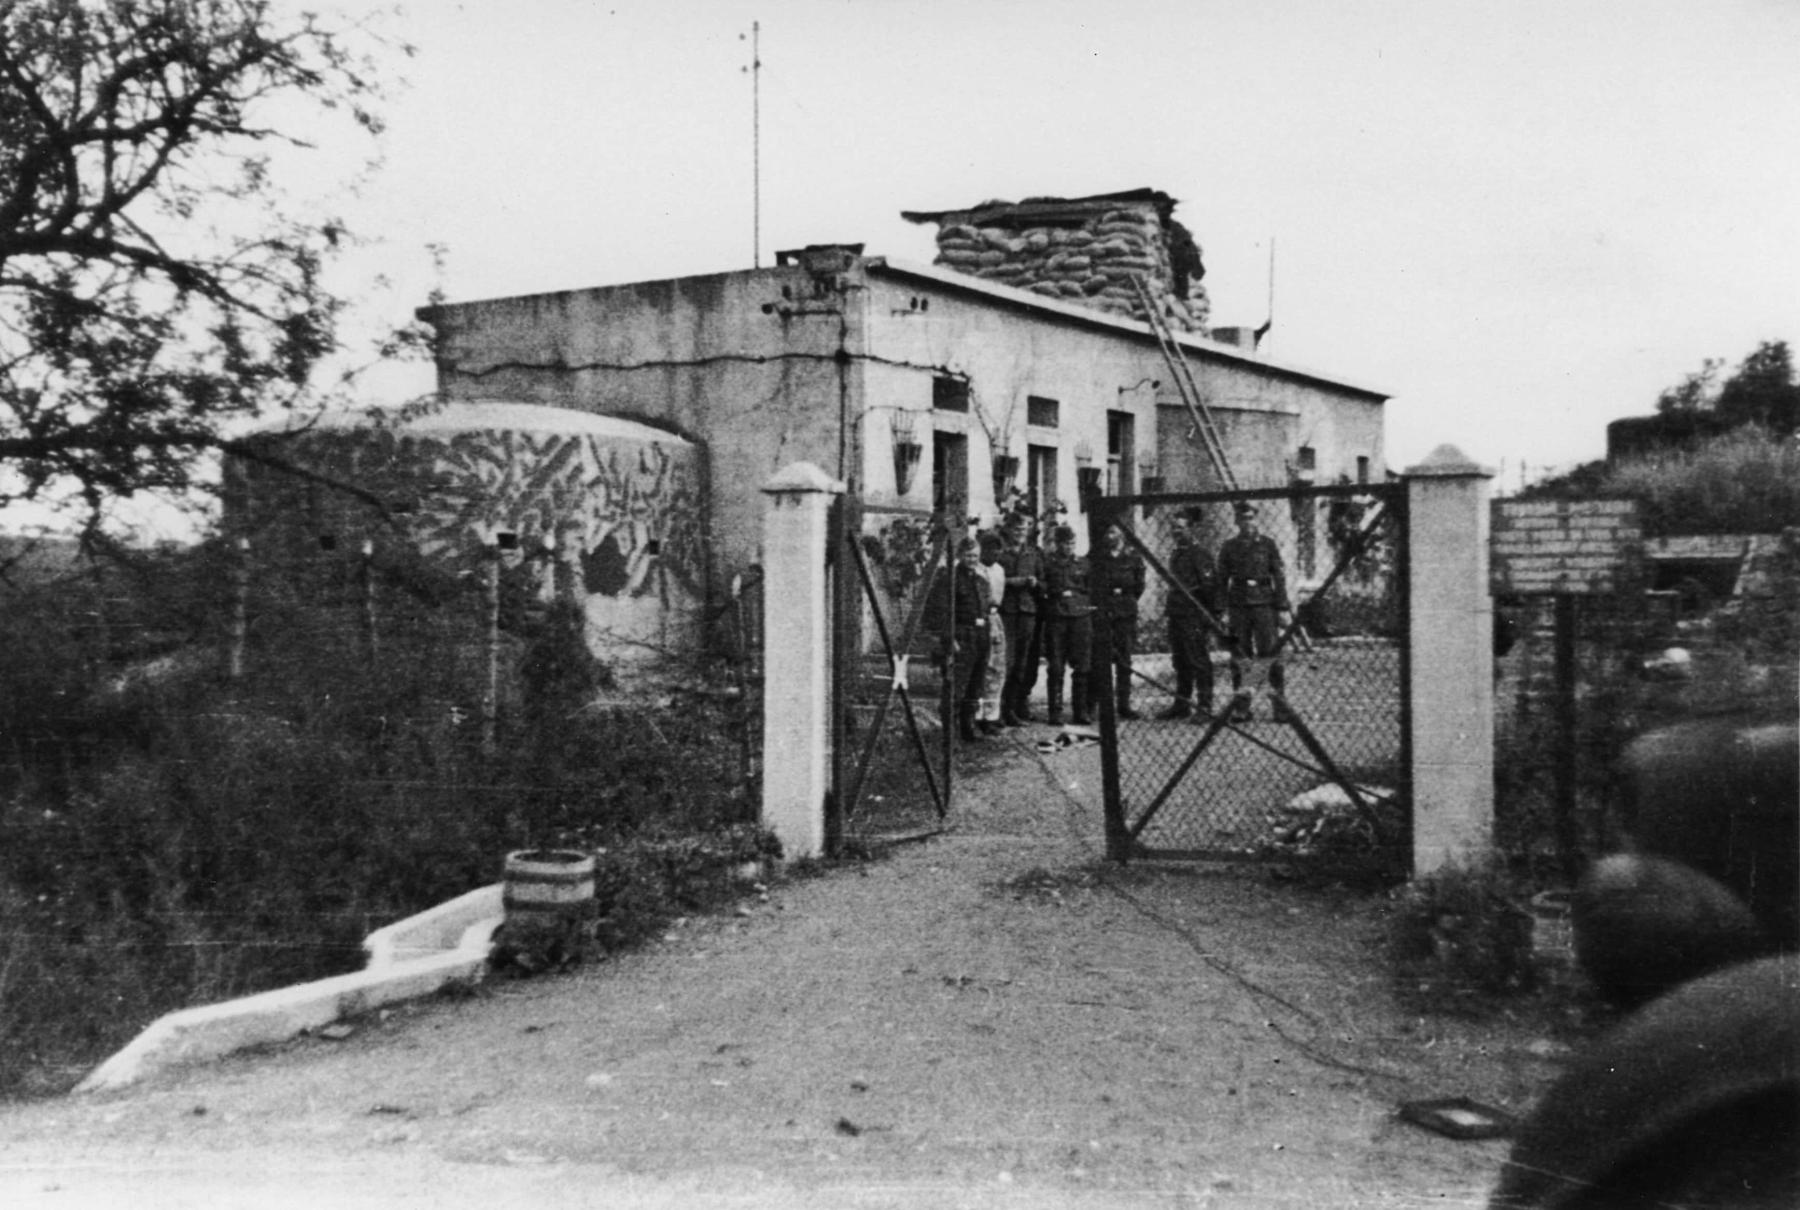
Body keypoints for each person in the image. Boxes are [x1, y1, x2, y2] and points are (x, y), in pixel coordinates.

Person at [1217, 501, 1289, 723]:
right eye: (1243, 518)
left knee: (1271, 654)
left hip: (1264, 604)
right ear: (1236, 521)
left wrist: (1282, 607)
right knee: (1240, 657)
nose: (1247, 522)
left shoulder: (1267, 545)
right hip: (1239, 605)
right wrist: (1221, 610)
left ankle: (1280, 706)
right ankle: (1242, 707)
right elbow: (1221, 580)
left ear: (1257, 519)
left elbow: (1278, 576)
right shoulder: (1229, 547)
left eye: (1251, 518)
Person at [923, 535, 992, 743]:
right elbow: (939, 612)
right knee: (956, 686)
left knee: (975, 686)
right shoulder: (949, 579)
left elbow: (986, 609)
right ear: (960, 555)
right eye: (969, 555)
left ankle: (968, 729)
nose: (973, 559)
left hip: (980, 637)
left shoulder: (980, 581)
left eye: (976, 555)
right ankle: (949, 736)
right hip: (961, 637)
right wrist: (949, 639)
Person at [1158, 507, 1220, 720]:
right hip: (1177, 612)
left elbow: (1209, 587)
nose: (1176, 532)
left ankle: (1204, 705)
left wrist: (1209, 617)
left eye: (1180, 528)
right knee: (1180, 660)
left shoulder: (1200, 554)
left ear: (1191, 529)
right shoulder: (1177, 553)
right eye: (1174, 528)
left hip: (1194, 614)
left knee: (1198, 660)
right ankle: (1181, 704)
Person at [1090, 521, 1147, 720]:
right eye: (1107, 532)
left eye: (1113, 532)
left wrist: (1124, 600)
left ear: (1122, 534)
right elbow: (1091, 583)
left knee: (1124, 659)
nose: (1109, 537)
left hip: (1125, 613)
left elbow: (1139, 586)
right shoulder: (1097, 557)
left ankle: (1124, 704)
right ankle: (1099, 703)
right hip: (1104, 612)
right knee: (1101, 658)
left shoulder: (1133, 557)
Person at [1040, 524, 1094, 726]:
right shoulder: (1049, 564)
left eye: (1072, 543)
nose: (1069, 547)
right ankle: (1055, 712)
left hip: (1080, 618)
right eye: (1065, 543)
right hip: (1057, 618)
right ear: (1057, 544)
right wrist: (1055, 593)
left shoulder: (1083, 563)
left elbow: (1090, 589)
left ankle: (1080, 711)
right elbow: (1042, 585)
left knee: (1082, 666)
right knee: (1055, 666)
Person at [996, 512, 1045, 725]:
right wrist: (1011, 582)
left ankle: (1015, 706)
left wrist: (1035, 583)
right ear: (1008, 530)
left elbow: (1045, 583)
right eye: (1016, 529)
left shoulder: (1033, 555)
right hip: (1006, 611)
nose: (1020, 533)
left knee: (1022, 662)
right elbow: (991, 578)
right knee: (1005, 660)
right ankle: (998, 709)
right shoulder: (1000, 553)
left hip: (1027, 612)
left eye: (1024, 530)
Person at [974, 531, 1009, 737]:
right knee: (982, 669)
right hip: (980, 619)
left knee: (997, 669)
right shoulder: (976, 570)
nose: (995, 554)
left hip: (995, 618)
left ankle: (991, 716)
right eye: (990, 550)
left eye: (998, 550)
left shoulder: (999, 571)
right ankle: (977, 716)